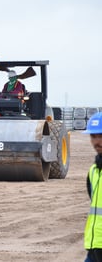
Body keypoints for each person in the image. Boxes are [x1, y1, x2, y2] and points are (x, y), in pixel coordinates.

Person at [83, 112, 102, 262]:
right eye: (93, 136)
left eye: (101, 136)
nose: (97, 142)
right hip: (94, 246)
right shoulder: (93, 171)